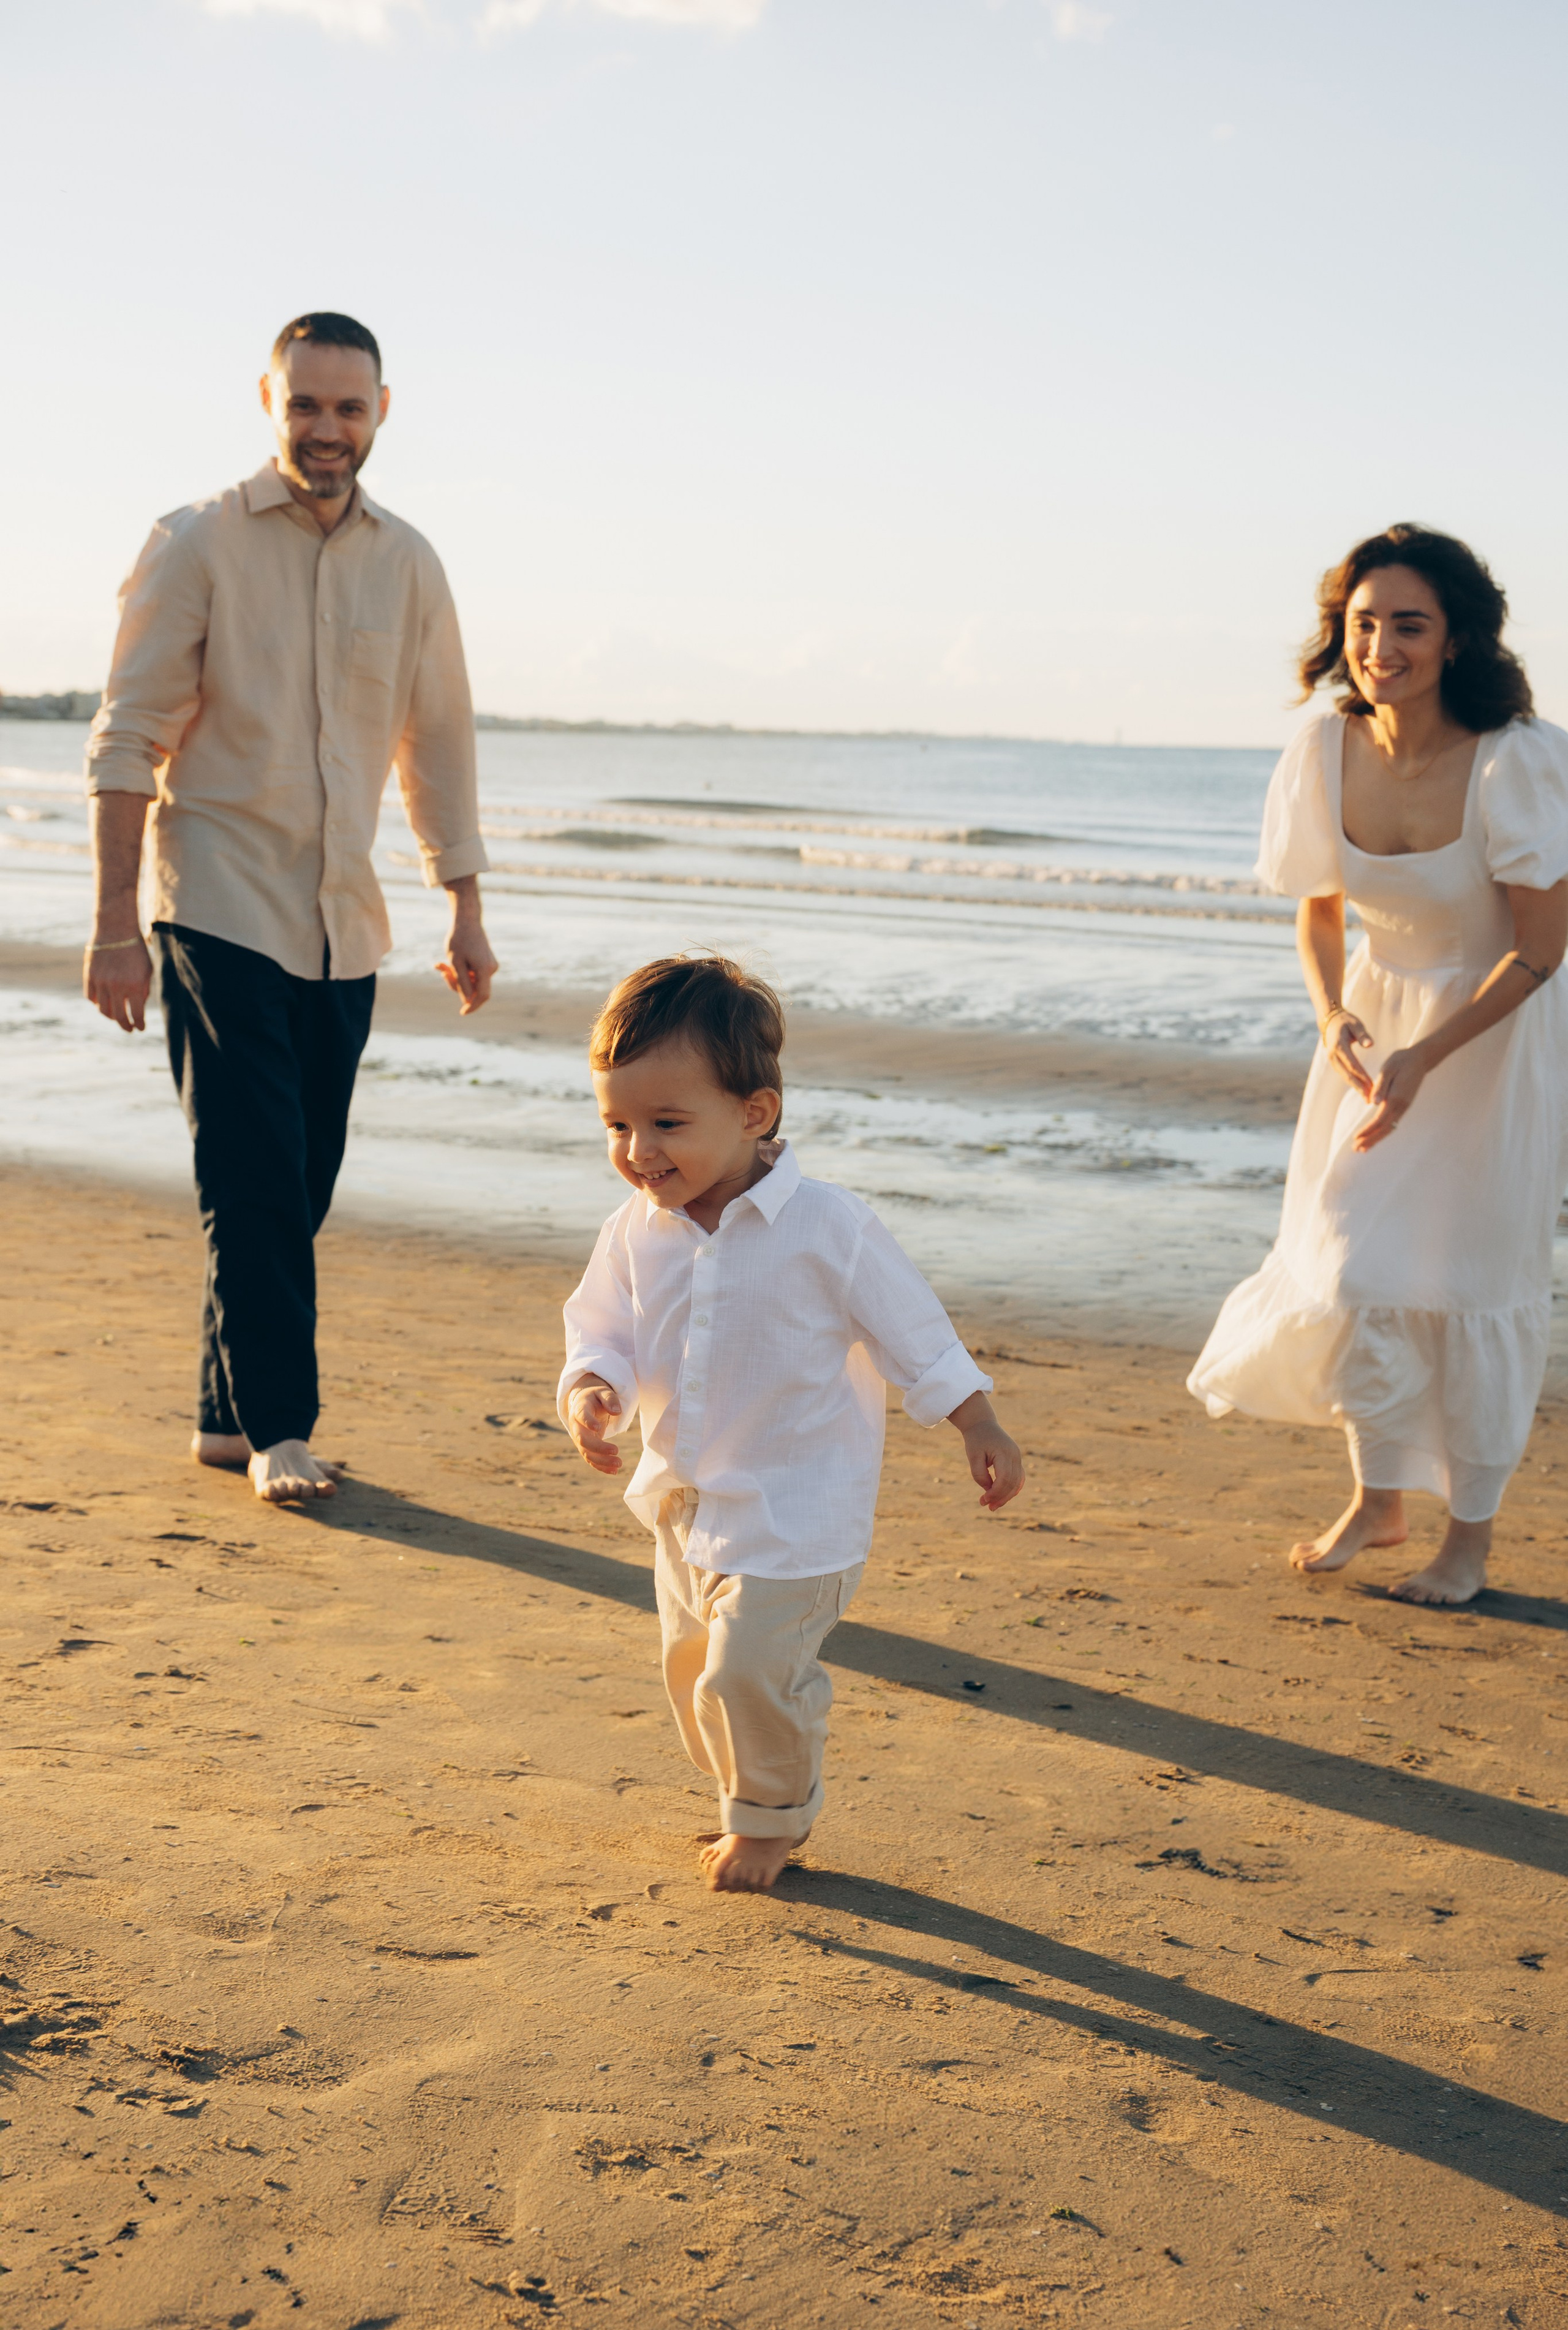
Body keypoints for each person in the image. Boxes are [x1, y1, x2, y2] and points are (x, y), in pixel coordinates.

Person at [83, 311, 496, 1505]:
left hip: (340, 920)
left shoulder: (408, 561)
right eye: (305, 405)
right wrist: (115, 928)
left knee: (299, 1178)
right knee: (255, 1174)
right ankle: (279, 1431)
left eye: (348, 408)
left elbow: (440, 743)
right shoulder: (195, 542)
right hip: (213, 897)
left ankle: (224, 1416)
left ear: (380, 412)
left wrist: (461, 908)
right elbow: (125, 743)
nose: (327, 429)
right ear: (268, 401)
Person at [558, 955, 1025, 1891]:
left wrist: (978, 1422)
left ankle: (772, 1816)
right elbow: (598, 1324)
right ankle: (750, 1785)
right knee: (695, 1673)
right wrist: (592, 1386)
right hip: (686, 1505)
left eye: (667, 1124)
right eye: (618, 1123)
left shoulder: (827, 1227)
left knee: (747, 1673)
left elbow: (913, 1331)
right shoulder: (635, 1230)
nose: (638, 1150)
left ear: (755, 1114)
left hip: (796, 1514)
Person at [1189, 524, 1568, 1606]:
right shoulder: (1323, 748)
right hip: (1376, 1025)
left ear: (1455, 639)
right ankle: (1382, 1498)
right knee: (1355, 1266)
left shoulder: (1519, 758)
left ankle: (1471, 1542)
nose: (1382, 645)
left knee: (1472, 1279)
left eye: (1409, 624)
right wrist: (1334, 1020)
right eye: (1364, 623)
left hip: (1495, 1033)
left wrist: (1424, 1060)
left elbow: (1540, 951)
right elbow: (1318, 912)